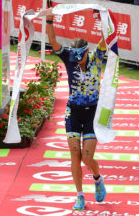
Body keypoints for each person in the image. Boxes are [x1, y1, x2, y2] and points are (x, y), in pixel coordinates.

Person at [44, 14, 107, 211]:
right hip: (73, 111)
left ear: (87, 51)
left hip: (92, 112)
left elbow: (107, 38)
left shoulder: (97, 57)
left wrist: (103, 18)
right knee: (75, 156)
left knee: (87, 158)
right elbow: (53, 41)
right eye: (76, 58)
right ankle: (80, 196)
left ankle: (97, 179)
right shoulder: (69, 57)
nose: (78, 62)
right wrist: (49, 20)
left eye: (82, 58)